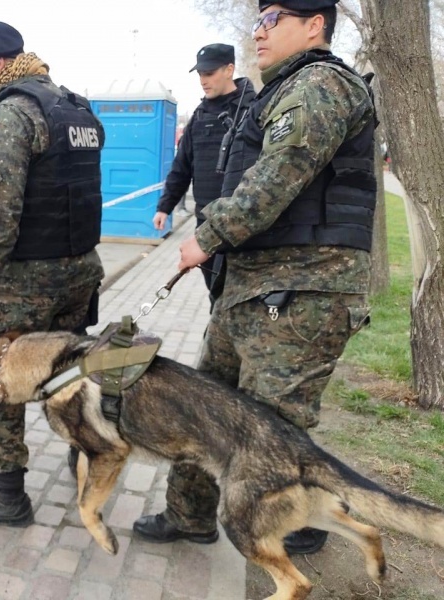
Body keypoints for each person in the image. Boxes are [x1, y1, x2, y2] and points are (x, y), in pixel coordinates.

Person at [135, 0, 376, 556]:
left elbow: (274, 179)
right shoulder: (273, 92)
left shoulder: (321, 84)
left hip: (303, 292)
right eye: (259, 19)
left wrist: (206, 236)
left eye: (274, 20)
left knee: (272, 428)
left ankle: (294, 532)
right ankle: (189, 514)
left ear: (314, 26)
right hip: (251, 286)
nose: (259, 30)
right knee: (200, 407)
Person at [0, 20, 105, 527]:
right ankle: (84, 455)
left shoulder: (12, 112)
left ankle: (6, 494)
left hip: (24, 280)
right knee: (70, 370)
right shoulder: (73, 107)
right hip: (81, 269)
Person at [153, 43, 255, 294]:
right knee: (216, 295)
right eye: (200, 74)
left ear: (229, 69)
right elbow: (182, 167)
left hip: (244, 224)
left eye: (209, 74)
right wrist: (164, 207)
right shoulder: (199, 115)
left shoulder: (253, 110)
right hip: (206, 222)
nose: (202, 80)